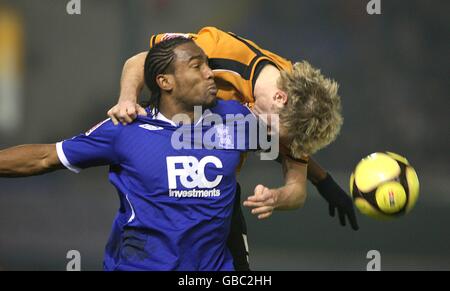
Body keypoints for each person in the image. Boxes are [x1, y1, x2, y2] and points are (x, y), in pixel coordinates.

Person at [0, 38, 287, 270]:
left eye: (208, 65)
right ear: (165, 82)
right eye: (197, 66)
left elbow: (291, 141)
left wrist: (291, 191)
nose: (210, 73)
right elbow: (45, 157)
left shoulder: (233, 118)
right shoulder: (126, 129)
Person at [107, 26, 359, 270]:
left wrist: (281, 196)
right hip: (166, 174)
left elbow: (296, 188)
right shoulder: (218, 50)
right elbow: (140, 60)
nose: (267, 140)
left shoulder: (300, 105)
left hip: (215, 193)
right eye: (271, 132)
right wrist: (127, 100)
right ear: (279, 98)